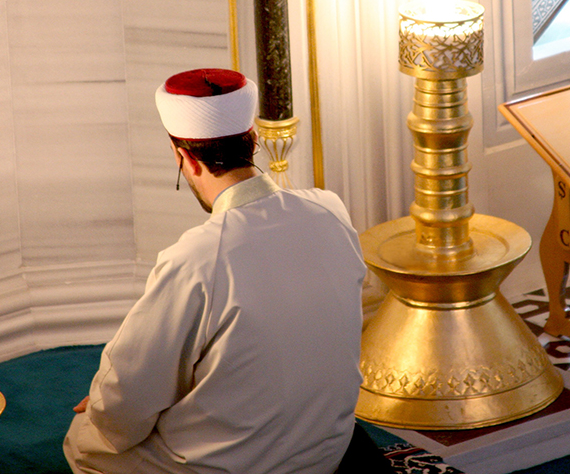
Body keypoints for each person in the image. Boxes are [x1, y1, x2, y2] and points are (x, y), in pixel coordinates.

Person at [63, 68, 367, 474]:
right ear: (253, 140)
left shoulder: (196, 258)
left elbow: (126, 401)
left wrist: (101, 407)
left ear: (184, 157)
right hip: (327, 451)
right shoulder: (330, 209)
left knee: (84, 439)